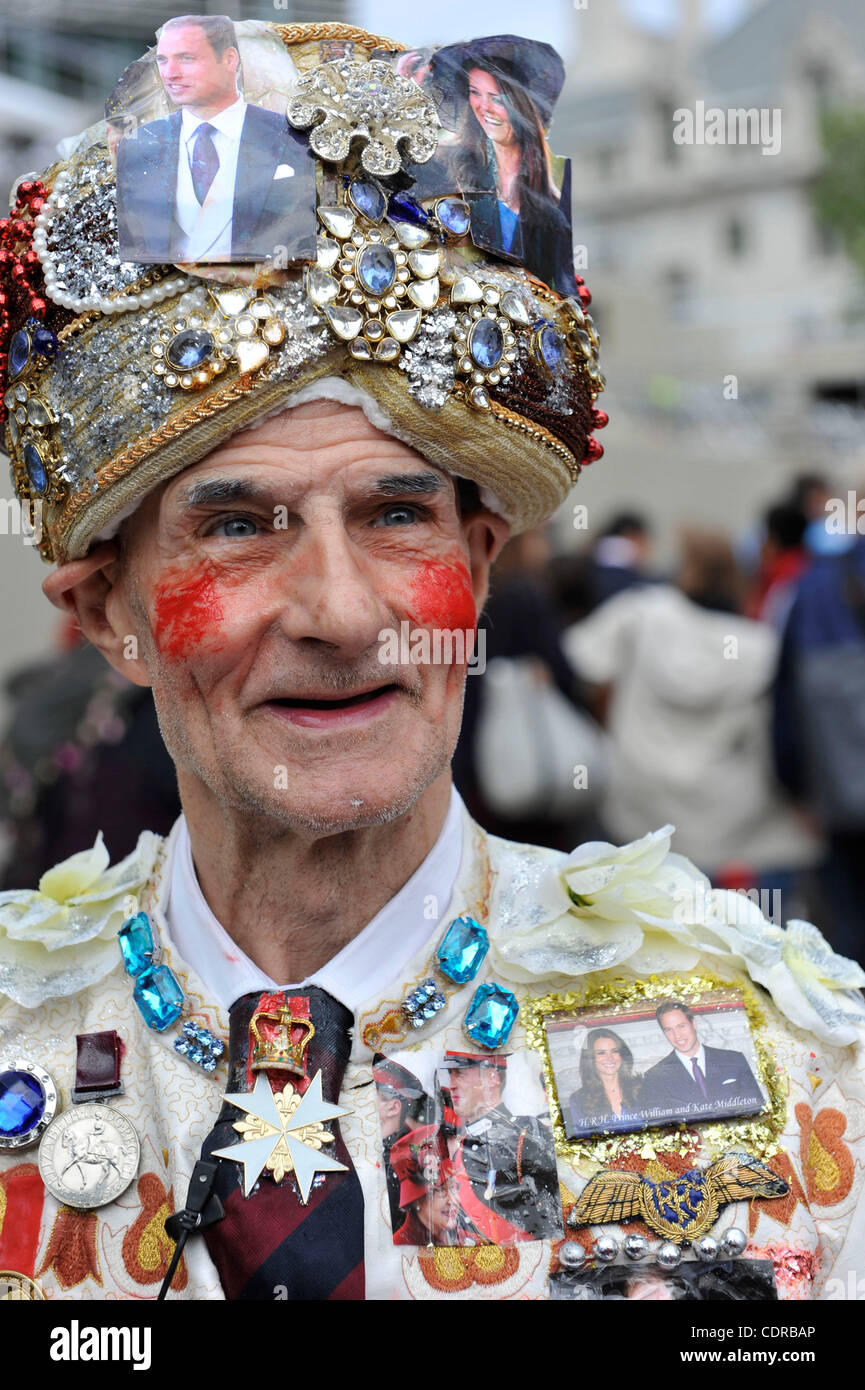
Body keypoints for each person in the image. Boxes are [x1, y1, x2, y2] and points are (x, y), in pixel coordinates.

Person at [1, 19, 863, 1306]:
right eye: (238, 527)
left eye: (396, 516)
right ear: (101, 613)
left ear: (480, 554)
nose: (343, 614)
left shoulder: (785, 1053)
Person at [115, 14, 315, 263]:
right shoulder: (137, 145)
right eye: (162, 60)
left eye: (186, 59)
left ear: (230, 59)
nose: (170, 73)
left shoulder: (291, 139)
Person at [429, 37, 575, 293]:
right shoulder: (447, 171)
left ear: (520, 107)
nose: (483, 107)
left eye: (496, 98)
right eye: (475, 93)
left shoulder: (552, 213)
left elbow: (562, 296)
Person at [443, 1053, 561, 1242]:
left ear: (492, 1078)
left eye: (460, 1074)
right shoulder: (459, 1150)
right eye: (450, 1074)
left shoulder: (528, 1134)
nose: (452, 1084)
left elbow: (553, 1218)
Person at [640, 1002, 765, 1118]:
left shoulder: (734, 1060)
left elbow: (756, 1108)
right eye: (669, 1030)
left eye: (681, 1026)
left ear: (694, 1024)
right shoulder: (654, 1077)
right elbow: (662, 1123)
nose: (677, 1036)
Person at [388, 1125, 460, 1245]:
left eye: (453, 1186)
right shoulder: (401, 1248)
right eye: (439, 1190)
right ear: (416, 1200)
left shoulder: (468, 1239)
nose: (452, 1199)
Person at [567, 1027, 642, 1136]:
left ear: (621, 1055)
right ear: (590, 1058)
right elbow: (583, 1141)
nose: (609, 1058)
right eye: (601, 1053)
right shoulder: (578, 1100)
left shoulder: (642, 1088)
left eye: (614, 1051)